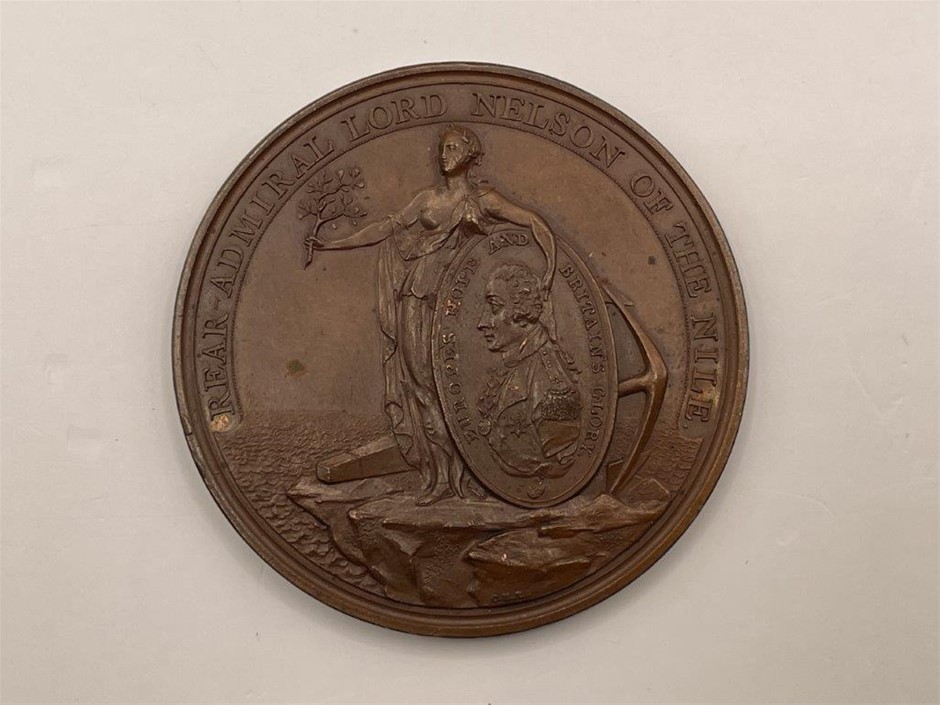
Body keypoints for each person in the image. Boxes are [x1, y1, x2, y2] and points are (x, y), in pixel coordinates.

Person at [308, 125, 558, 504]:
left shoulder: (483, 200)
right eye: (442, 148)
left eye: (453, 148)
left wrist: (550, 268)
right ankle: (439, 476)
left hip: (454, 305)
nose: (444, 155)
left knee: (451, 385)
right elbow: (383, 229)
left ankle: (469, 476)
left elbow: (533, 222)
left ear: (470, 154)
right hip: (416, 294)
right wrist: (331, 245)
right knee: (421, 386)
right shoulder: (427, 200)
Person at [476, 264, 582, 480]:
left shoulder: (549, 377)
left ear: (522, 311)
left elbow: (560, 437)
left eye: (494, 307)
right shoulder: (516, 363)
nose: (482, 323)